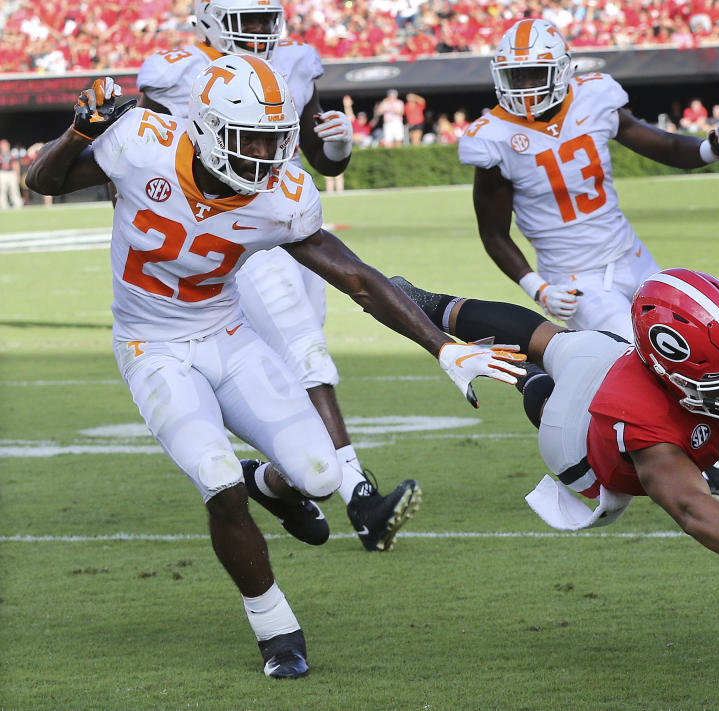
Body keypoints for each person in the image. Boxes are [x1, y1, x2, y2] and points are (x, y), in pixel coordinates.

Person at [25, 66, 525, 679]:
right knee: (214, 475)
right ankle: (275, 626)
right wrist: (79, 133)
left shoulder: (279, 194)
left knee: (320, 477)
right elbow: (42, 179)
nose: (264, 154)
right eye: (250, 138)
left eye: (273, 138)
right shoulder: (143, 142)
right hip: (151, 346)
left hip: (230, 337)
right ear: (206, 129)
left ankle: (266, 485)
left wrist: (442, 347)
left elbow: (359, 279)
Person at [136, 0, 415, 551]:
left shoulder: (294, 62)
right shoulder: (175, 73)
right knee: (308, 353)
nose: (262, 32)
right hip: (233, 235)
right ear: (212, 20)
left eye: (268, 20)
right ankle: (360, 496)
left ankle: (273, 480)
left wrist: (337, 147)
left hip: (291, 225)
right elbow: (141, 160)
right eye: (249, 22)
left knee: (300, 360)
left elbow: (319, 159)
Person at [391, 267, 719, 569]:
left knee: (566, 344)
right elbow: (690, 505)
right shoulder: (640, 415)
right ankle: (452, 324)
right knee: (555, 374)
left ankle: (435, 305)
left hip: (623, 369)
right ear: (668, 377)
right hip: (585, 453)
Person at [459, 19, 719, 340]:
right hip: (573, 279)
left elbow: (667, 146)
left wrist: (712, 149)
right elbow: (494, 234)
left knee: (689, 337)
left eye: (535, 74)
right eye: (516, 75)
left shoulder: (593, 97)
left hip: (630, 255)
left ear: (562, 70)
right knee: (634, 348)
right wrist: (537, 288)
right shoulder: (492, 137)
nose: (525, 86)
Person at [0, 139, 23, 209]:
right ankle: (3, 206)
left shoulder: (12, 154)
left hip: (11, 173)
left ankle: (18, 204)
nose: (4, 147)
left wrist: (18, 175)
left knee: (14, 190)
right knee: (2, 190)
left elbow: (16, 165)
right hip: (2, 173)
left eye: (5, 145)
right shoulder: (0, 155)